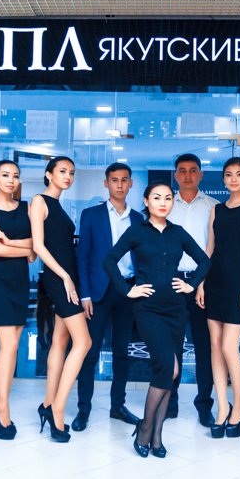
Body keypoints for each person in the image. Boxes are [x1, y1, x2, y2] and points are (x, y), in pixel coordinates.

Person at [103, 181, 211, 458]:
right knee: (167, 367)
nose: (163, 202)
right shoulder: (137, 231)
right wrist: (127, 290)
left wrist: (191, 284)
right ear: (146, 201)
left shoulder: (178, 233)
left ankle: (157, 436)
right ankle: (145, 428)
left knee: (169, 373)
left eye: (167, 198)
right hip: (147, 309)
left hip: (176, 309)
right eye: (157, 197)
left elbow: (205, 261)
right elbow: (109, 260)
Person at [72, 162, 143, 431]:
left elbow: (141, 258)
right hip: (98, 292)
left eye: (124, 180)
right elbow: (83, 257)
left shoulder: (138, 219)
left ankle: (117, 406)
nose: (120, 185)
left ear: (131, 184)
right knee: (90, 353)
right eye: (114, 180)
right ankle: (83, 410)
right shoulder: (91, 215)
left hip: (127, 290)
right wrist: (85, 294)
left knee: (122, 352)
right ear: (106, 183)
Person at [197, 157, 240, 438]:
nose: (234, 179)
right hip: (214, 282)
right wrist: (200, 283)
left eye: (239, 174)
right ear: (223, 179)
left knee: (229, 347)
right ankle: (222, 407)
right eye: (229, 174)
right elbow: (209, 250)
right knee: (215, 345)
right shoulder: (216, 210)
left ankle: (239, 406)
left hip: (237, 284)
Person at [30, 156, 92, 443]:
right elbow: (39, 246)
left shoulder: (58, 205)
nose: (68, 176)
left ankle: (47, 403)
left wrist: (71, 277)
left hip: (68, 278)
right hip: (59, 279)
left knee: (60, 341)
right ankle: (57, 410)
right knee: (84, 342)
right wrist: (65, 277)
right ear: (49, 174)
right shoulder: (39, 201)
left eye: (71, 172)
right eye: (62, 171)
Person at [0, 160, 34, 440]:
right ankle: (2, 407)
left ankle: (0, 401)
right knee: (9, 345)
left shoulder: (27, 208)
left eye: (15, 176)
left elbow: (36, 248)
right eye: (5, 175)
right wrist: (23, 247)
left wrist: (10, 242)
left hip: (20, 281)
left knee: (13, 348)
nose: (11, 180)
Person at [167, 153, 218, 427]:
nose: (187, 175)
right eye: (182, 170)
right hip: (172, 282)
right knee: (171, 345)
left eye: (193, 170)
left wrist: (203, 282)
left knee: (204, 347)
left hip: (202, 284)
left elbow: (216, 250)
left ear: (201, 175)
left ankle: (204, 404)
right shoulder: (165, 205)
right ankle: (170, 402)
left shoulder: (214, 207)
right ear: (175, 175)